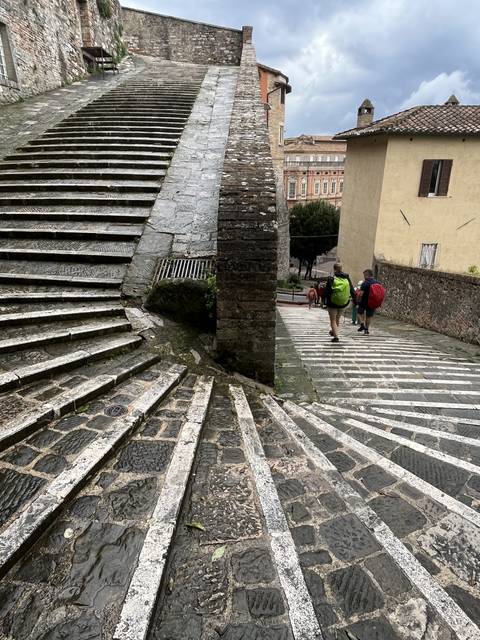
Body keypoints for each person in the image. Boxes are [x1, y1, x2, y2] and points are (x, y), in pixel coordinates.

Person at [323, 262, 356, 343]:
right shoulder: (347, 278)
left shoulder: (331, 278)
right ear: (341, 269)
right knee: (337, 319)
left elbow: (327, 292)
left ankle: (336, 337)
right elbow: (352, 290)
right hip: (343, 303)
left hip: (332, 303)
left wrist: (325, 302)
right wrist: (355, 301)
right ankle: (334, 331)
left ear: (334, 269)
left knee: (333, 320)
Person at [357, 269, 386, 335]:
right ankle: (366, 329)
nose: (364, 277)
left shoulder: (365, 283)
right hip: (373, 302)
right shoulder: (378, 283)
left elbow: (360, 294)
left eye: (364, 275)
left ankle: (362, 324)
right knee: (369, 316)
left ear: (367, 275)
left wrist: (358, 300)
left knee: (359, 312)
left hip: (364, 302)